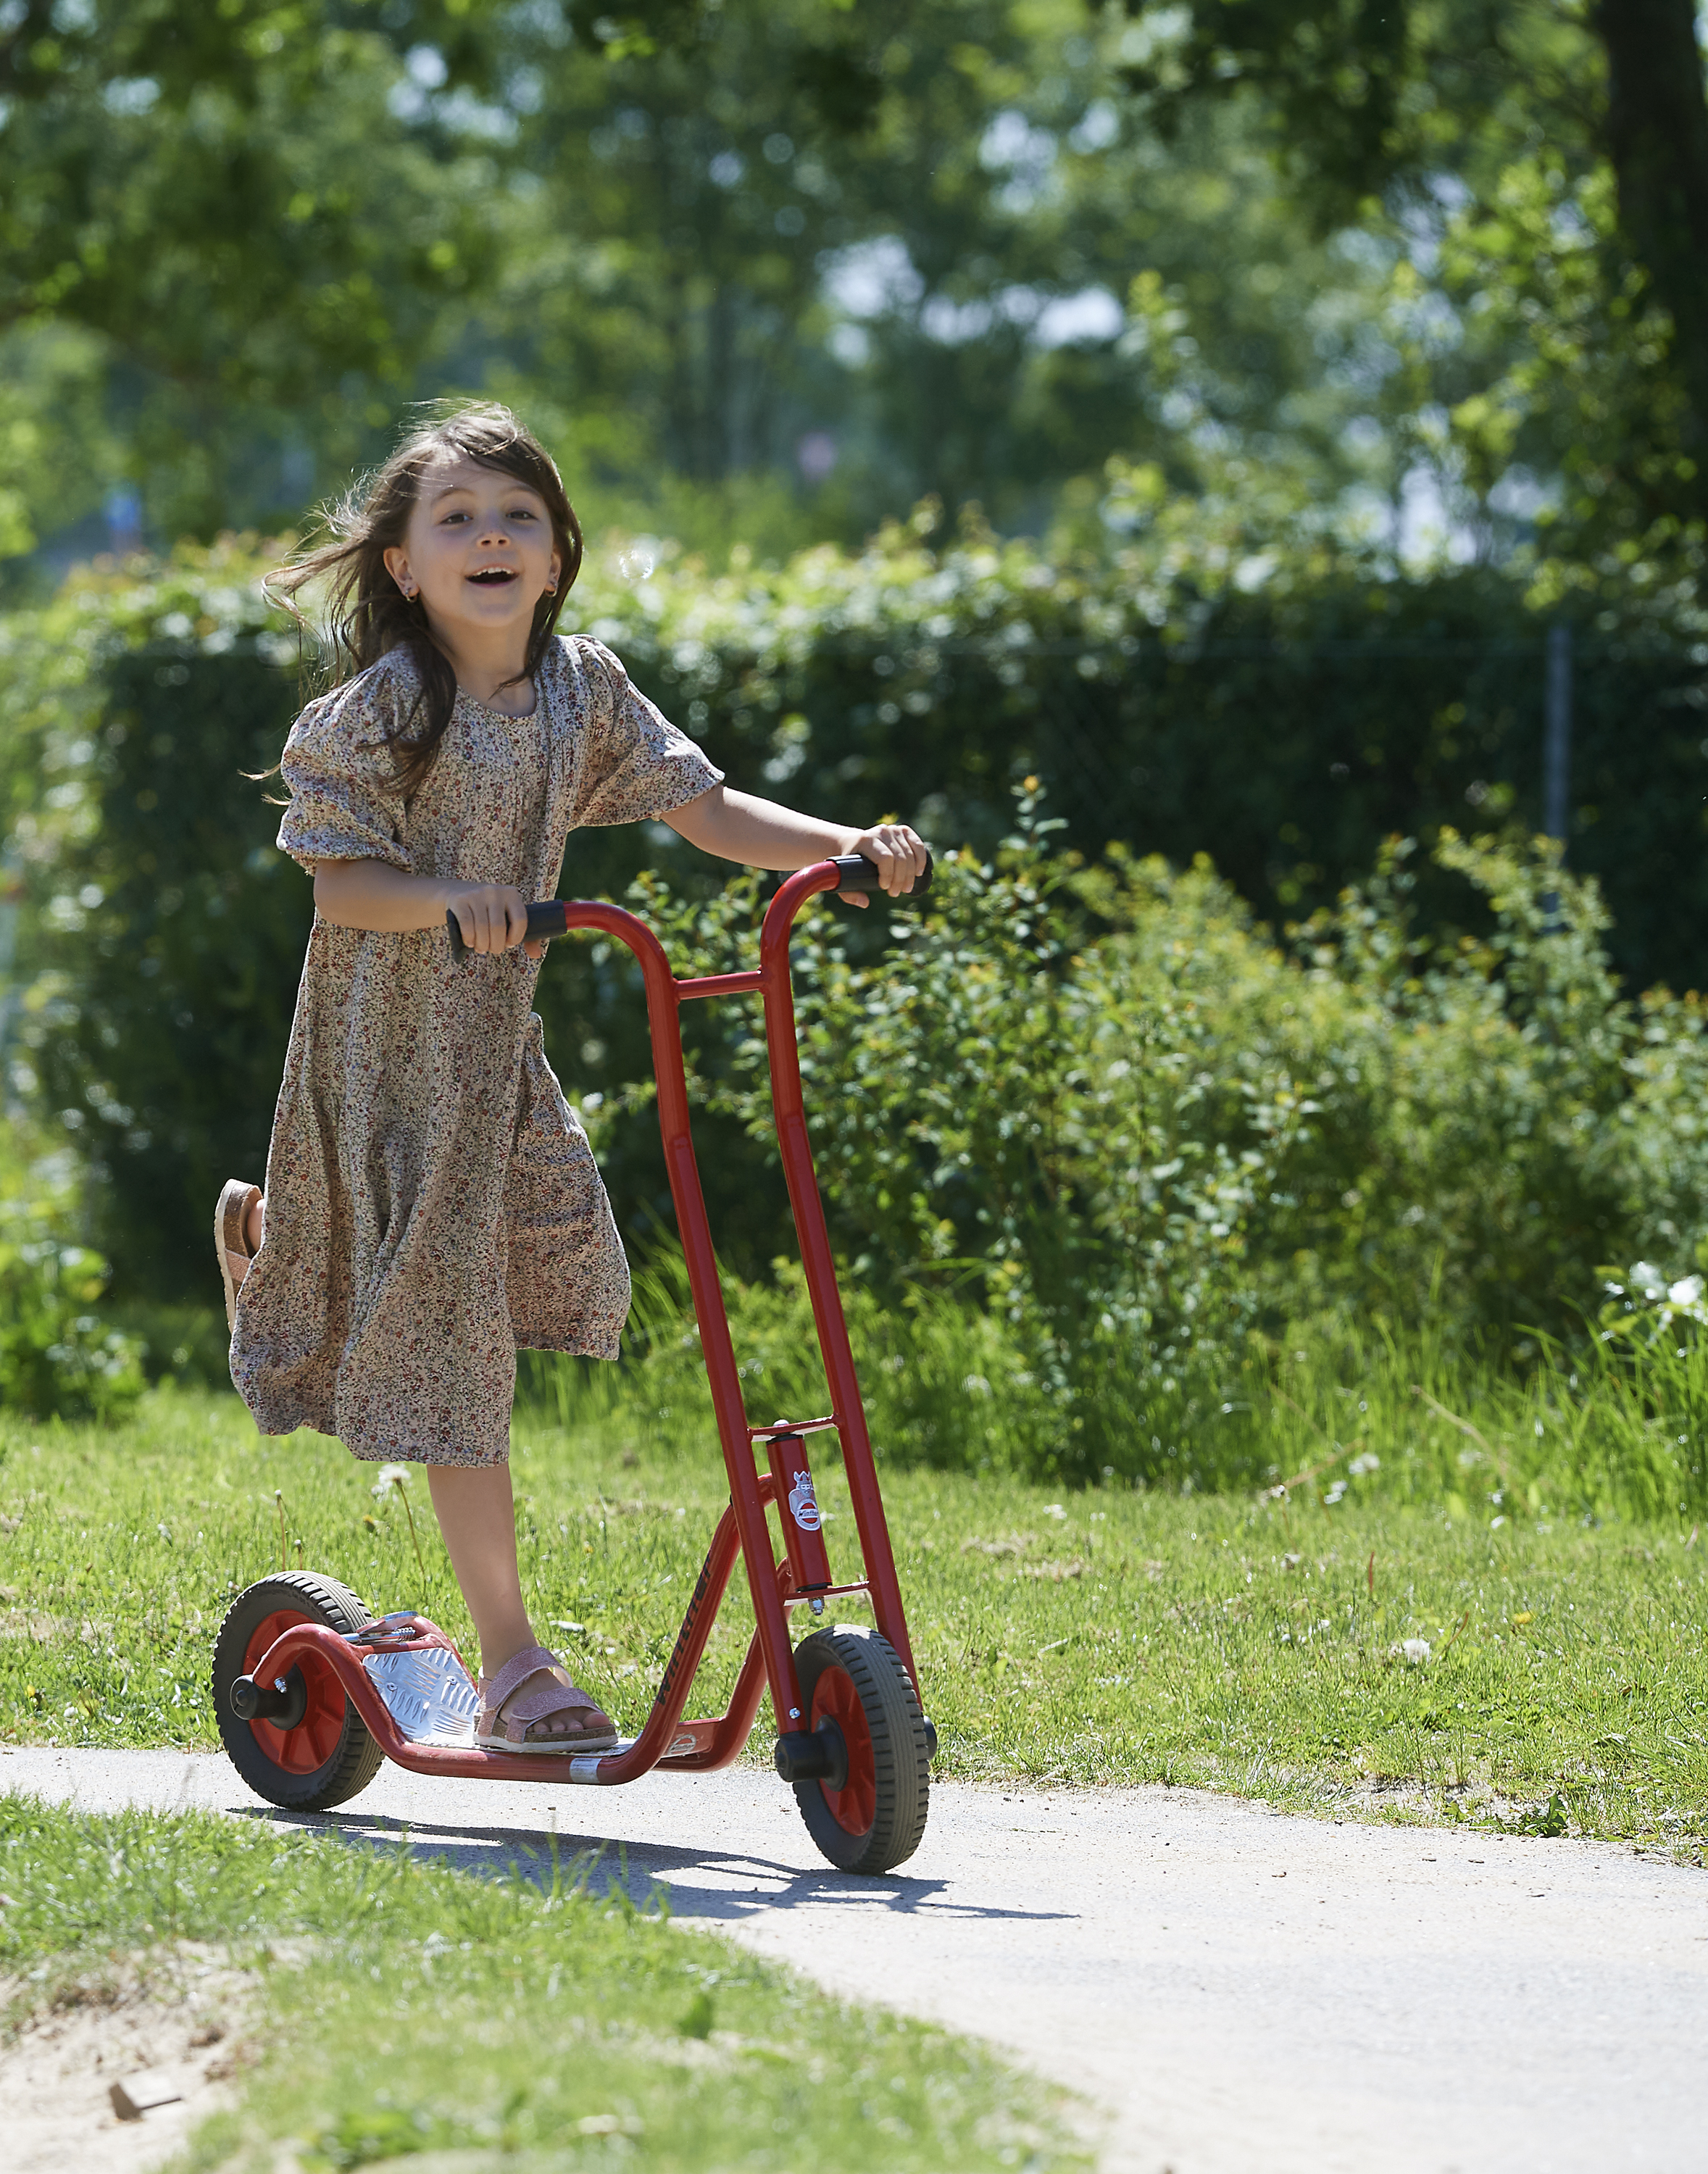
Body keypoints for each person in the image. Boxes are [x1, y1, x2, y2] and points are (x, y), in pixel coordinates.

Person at [215, 402, 927, 1754]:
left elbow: (701, 804)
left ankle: (293, 1252)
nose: (491, 537)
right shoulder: (378, 711)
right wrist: (447, 897)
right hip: (389, 1060)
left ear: (555, 559)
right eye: (459, 520)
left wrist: (843, 846)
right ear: (407, 566)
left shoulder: (584, 689)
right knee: (452, 1343)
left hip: (497, 1050)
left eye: (518, 520)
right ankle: (512, 1665)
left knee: (563, 1273)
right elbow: (340, 885)